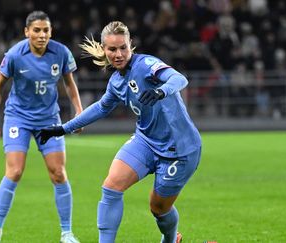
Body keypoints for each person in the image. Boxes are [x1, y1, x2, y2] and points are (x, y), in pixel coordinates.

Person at [37, 21, 201, 243]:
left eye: (123, 47)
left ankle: (170, 240)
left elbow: (179, 79)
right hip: (146, 141)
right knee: (111, 186)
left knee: (158, 208)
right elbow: (101, 107)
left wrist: (161, 91)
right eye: (112, 49)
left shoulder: (146, 65)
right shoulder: (116, 81)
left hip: (180, 150)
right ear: (104, 50)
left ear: (130, 45)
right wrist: (63, 128)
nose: (118, 54)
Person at [0, 11, 83, 243]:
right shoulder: (14, 55)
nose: (41, 35)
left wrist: (80, 112)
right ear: (26, 32)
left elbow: (69, 83)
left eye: (46, 30)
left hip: (49, 119)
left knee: (58, 173)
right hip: (18, 117)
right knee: (15, 171)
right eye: (36, 30)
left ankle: (67, 233)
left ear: (51, 32)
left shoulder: (61, 53)